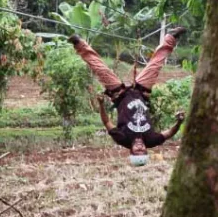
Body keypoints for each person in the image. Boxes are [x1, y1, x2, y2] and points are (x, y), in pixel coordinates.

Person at [68, 27, 188, 166]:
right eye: (143, 151)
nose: (140, 147)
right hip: (141, 92)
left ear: (131, 150)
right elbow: (169, 133)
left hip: (120, 95)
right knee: (155, 65)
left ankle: (78, 43)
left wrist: (101, 104)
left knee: (100, 69)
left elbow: (107, 123)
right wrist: (179, 122)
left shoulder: (122, 139)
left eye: (137, 151)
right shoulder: (151, 140)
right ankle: (172, 37)